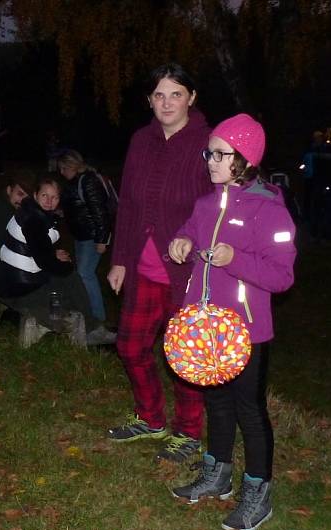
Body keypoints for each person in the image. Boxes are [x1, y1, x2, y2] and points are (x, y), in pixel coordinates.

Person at [168, 113, 296, 530]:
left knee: (249, 411)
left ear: (244, 158)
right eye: (210, 152)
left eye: (219, 154)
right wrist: (182, 244)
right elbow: (187, 234)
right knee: (216, 403)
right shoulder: (206, 204)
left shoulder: (269, 210)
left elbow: (282, 276)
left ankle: (258, 491)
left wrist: (235, 261)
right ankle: (216, 472)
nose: (210, 160)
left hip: (247, 332)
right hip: (205, 330)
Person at [106, 63, 212, 462]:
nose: (166, 103)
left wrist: (195, 242)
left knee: (183, 354)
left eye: (176, 94)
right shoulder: (140, 140)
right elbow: (129, 204)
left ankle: (188, 431)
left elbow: (214, 207)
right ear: (149, 100)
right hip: (142, 267)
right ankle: (151, 418)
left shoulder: (206, 142)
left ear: (192, 98)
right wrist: (120, 260)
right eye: (159, 95)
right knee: (130, 346)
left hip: (186, 270)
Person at [0, 177, 117, 345]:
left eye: (54, 197)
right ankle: (91, 330)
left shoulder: (28, 210)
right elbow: (44, 262)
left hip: (12, 280)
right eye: (45, 196)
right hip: (20, 287)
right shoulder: (34, 220)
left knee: (68, 282)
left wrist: (52, 256)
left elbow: (32, 247)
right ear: (35, 195)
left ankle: (93, 324)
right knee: (70, 278)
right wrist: (66, 267)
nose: (49, 201)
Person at [57, 149, 113, 325]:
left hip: (92, 237)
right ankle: (87, 310)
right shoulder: (75, 182)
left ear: (71, 166)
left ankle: (98, 317)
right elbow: (78, 207)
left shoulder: (88, 181)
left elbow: (100, 211)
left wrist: (102, 240)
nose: (61, 172)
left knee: (85, 274)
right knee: (82, 274)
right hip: (81, 236)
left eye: (63, 168)